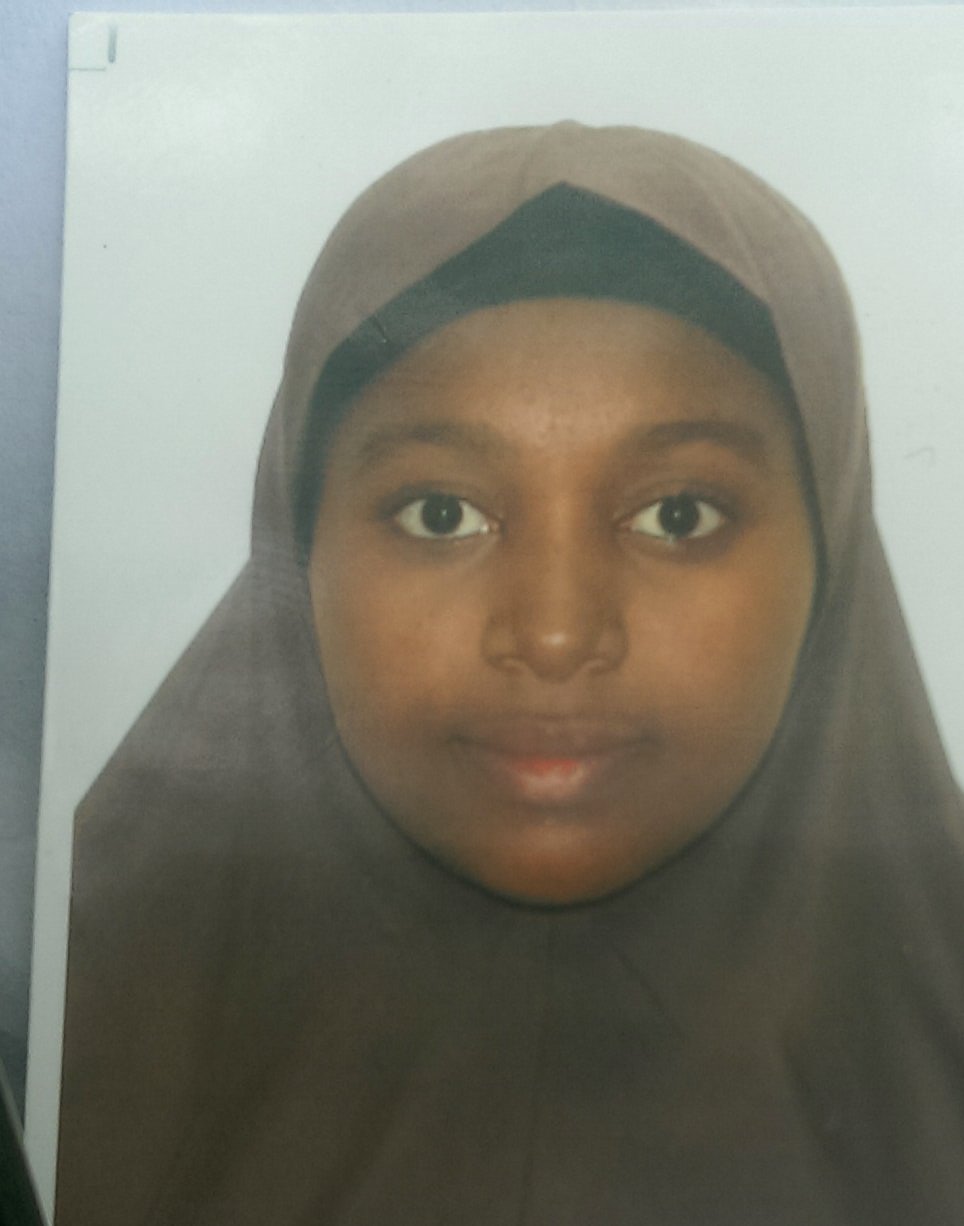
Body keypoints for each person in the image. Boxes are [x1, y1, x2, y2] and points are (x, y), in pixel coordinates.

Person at [55, 123, 964, 1225]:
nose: (554, 633)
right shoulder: (45, 1036)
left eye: (678, 515)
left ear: (828, 550)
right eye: (441, 513)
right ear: (301, 542)